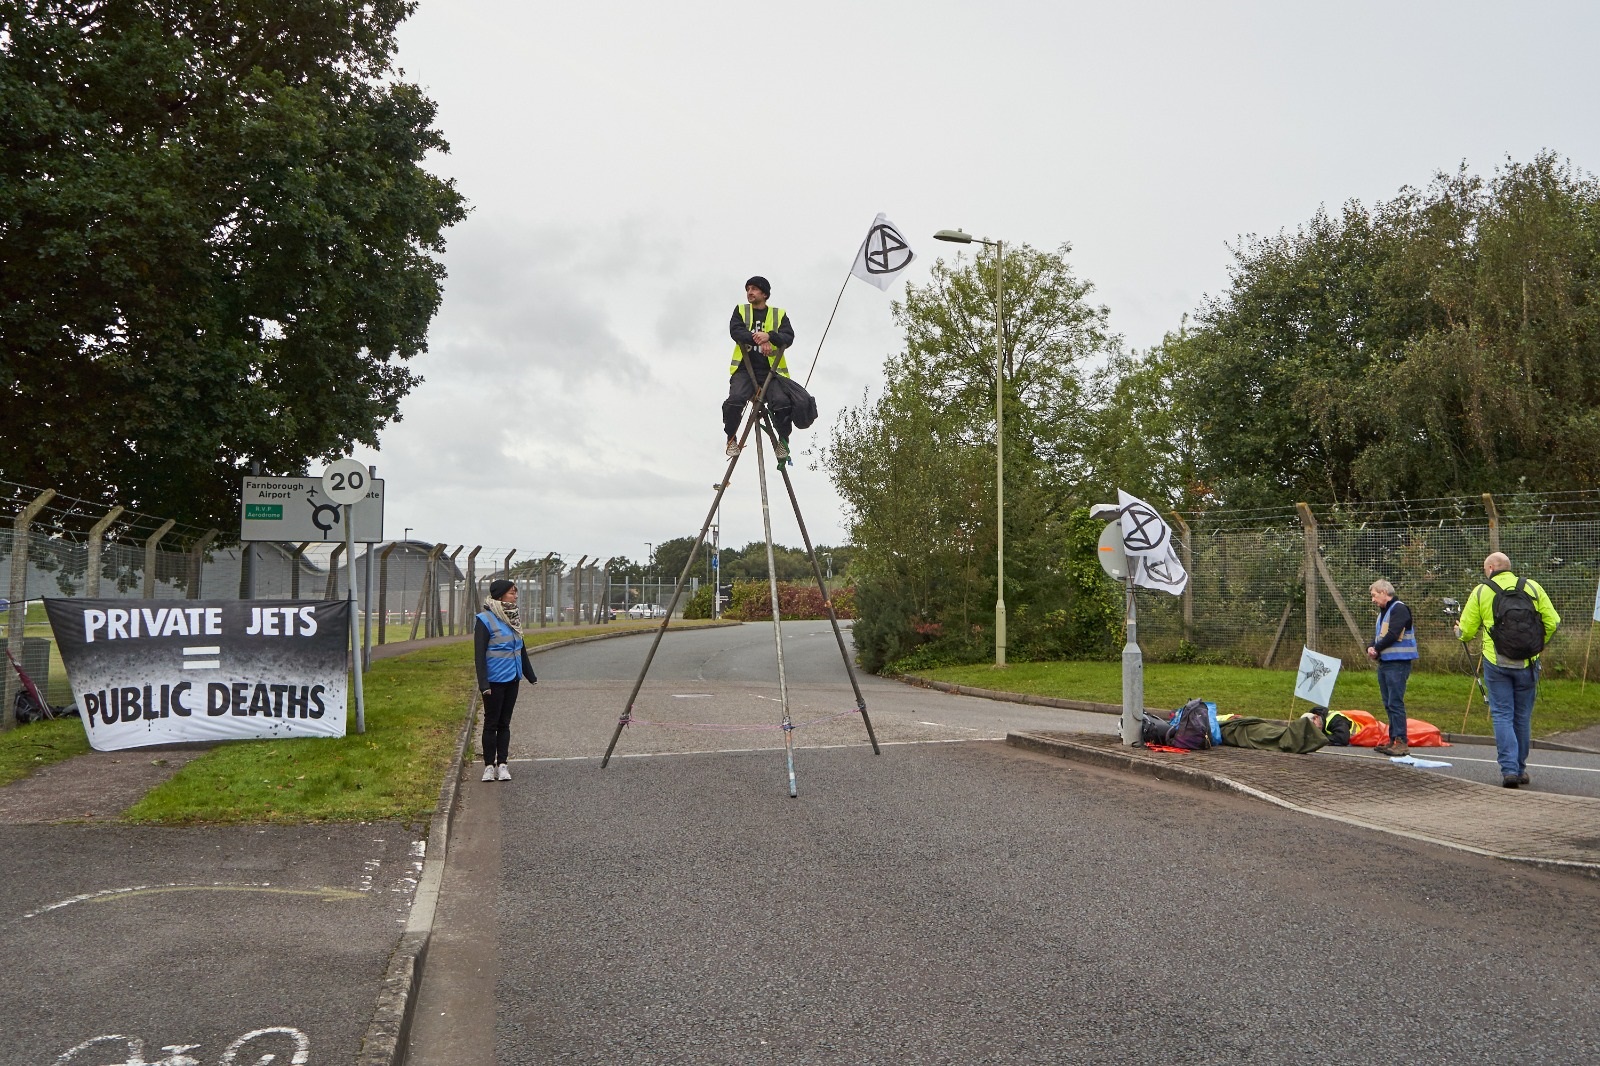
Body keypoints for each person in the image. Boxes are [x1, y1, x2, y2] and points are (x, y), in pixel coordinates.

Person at [1455, 552, 1560, 788]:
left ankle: (1509, 771)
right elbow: (1553, 621)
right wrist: (1537, 645)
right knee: (1522, 717)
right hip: (1528, 662)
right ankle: (1520, 768)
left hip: (1496, 662)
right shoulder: (1532, 587)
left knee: (1502, 715)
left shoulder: (1482, 591)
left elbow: (1467, 631)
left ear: (1491, 567)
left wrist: (1458, 632)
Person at [723, 276, 795, 467]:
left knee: (782, 402)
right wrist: (760, 340)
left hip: (771, 371)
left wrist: (770, 336)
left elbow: (789, 337)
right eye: (748, 289)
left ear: (764, 293)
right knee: (735, 400)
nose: (750, 292)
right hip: (745, 369)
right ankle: (731, 438)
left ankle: (783, 441)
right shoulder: (741, 310)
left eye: (754, 289)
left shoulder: (779, 314)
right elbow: (735, 331)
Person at [474, 578, 537, 782]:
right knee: (491, 723)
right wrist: (483, 683)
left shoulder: (514, 618)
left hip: (513, 678)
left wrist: (529, 674)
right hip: (494, 680)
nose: (515, 596)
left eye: (516, 592)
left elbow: (521, 648)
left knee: (505, 723)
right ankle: (488, 766)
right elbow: (479, 655)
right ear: (500, 596)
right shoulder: (485, 620)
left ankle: (503, 764)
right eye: (512, 592)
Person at [1366, 578, 1418, 757]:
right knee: (1388, 703)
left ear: (1383, 592)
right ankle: (1393, 739)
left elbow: (1394, 634)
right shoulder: (1384, 612)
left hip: (1398, 663)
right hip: (1386, 663)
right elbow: (1380, 636)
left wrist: (1376, 648)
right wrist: (1371, 646)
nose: (1373, 600)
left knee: (1395, 702)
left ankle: (1401, 741)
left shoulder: (1399, 609)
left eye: (1374, 595)